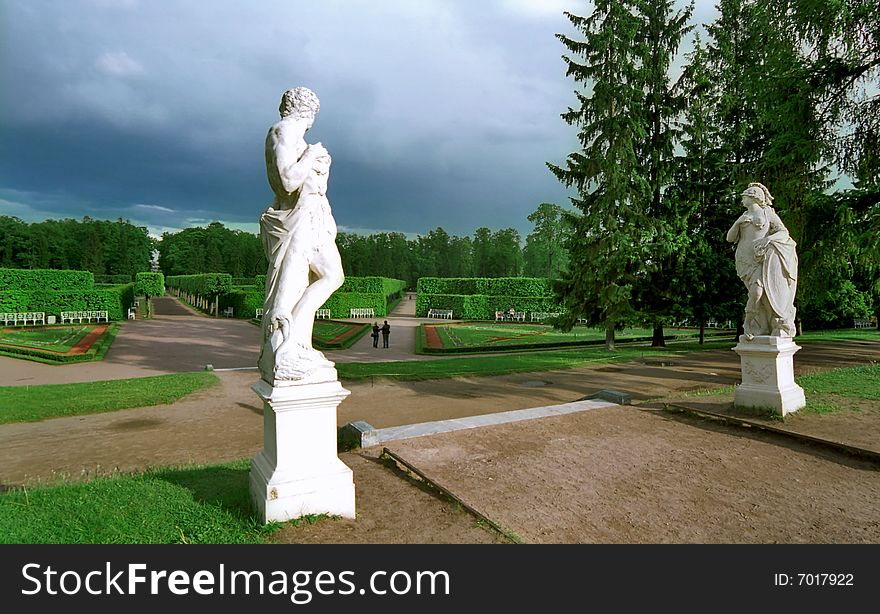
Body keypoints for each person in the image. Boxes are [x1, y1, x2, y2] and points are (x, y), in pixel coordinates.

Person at [257, 87, 345, 383]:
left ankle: (298, 343)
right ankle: (288, 347)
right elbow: (287, 181)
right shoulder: (284, 132)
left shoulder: (287, 134)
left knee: (333, 276)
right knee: (292, 284)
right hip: (300, 220)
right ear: (308, 112)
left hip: (314, 217)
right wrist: (312, 154)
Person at [725, 182, 798, 339]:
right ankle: (763, 326)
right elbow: (730, 238)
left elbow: (783, 232)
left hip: (761, 258)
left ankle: (749, 324)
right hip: (744, 259)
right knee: (761, 295)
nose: (742, 200)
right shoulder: (743, 216)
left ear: (753, 196)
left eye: (744, 196)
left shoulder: (768, 214)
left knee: (759, 290)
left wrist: (768, 239)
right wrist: (738, 223)